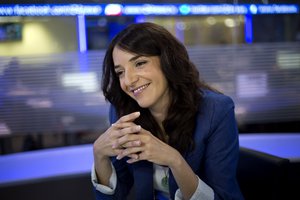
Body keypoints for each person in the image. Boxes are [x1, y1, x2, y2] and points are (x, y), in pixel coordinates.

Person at [92, 22, 244, 200]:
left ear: (167, 61)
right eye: (120, 72)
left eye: (140, 63)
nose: (129, 80)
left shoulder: (217, 111)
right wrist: (99, 154)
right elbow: (114, 196)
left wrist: (175, 161)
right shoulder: (123, 111)